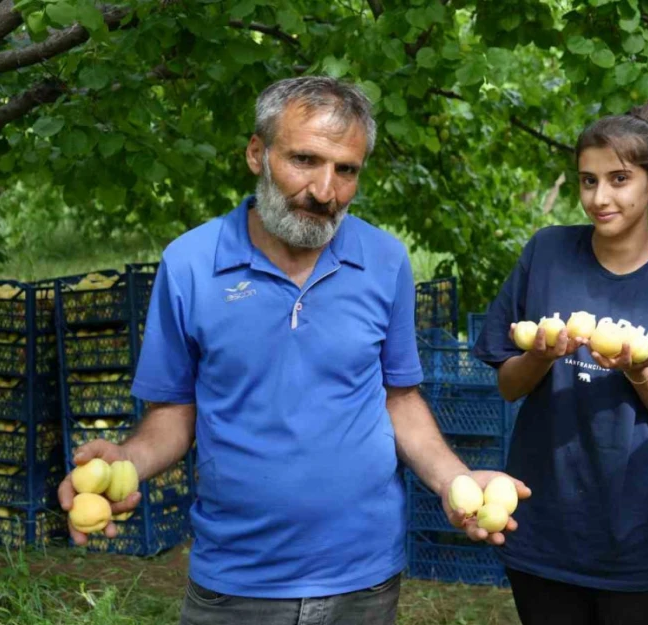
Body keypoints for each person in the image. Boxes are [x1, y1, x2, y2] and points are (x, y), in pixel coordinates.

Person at [56, 76, 528, 625]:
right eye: (305, 159)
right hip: (236, 580)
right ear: (257, 153)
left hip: (365, 578)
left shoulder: (385, 260)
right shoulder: (189, 264)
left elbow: (398, 400)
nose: (325, 191)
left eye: (346, 169)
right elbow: (173, 415)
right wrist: (127, 463)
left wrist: (456, 482)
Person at [473, 102, 648, 625]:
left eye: (619, 179)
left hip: (640, 536)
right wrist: (541, 354)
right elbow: (508, 386)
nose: (599, 197)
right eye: (588, 181)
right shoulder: (547, 252)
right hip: (546, 528)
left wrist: (638, 370)